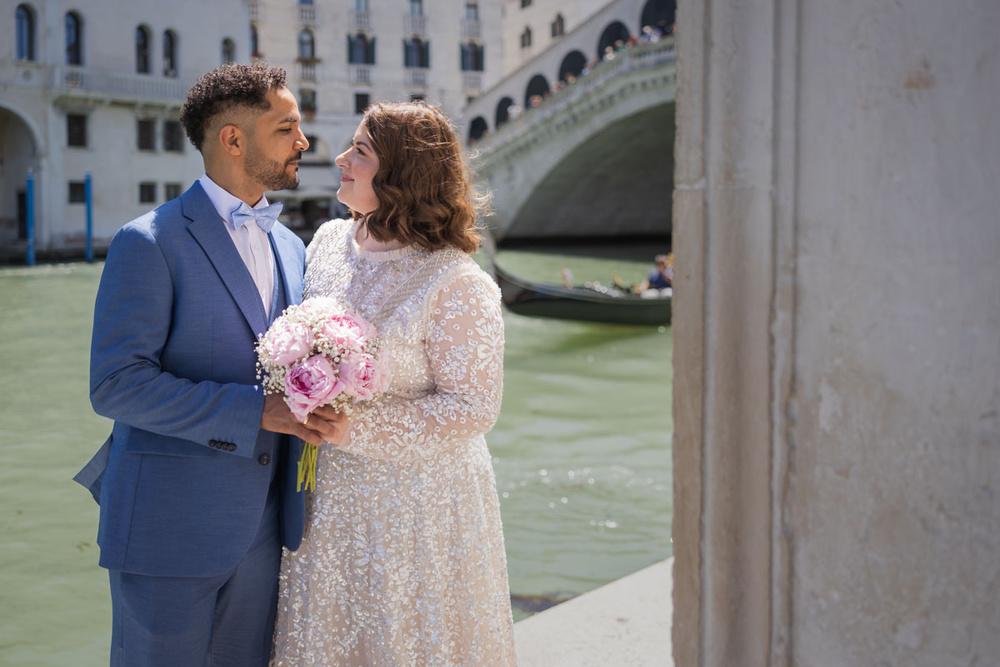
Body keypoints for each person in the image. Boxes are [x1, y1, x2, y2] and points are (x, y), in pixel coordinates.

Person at [73, 62, 347, 667]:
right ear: (232, 138)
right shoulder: (146, 242)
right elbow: (115, 385)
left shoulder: (293, 247)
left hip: (267, 529)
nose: (303, 142)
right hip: (168, 527)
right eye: (287, 128)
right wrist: (258, 412)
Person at [270, 101, 516, 665]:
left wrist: (351, 427)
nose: (339, 159)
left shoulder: (456, 281)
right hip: (326, 495)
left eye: (359, 151)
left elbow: (472, 408)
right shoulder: (329, 242)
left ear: (402, 173)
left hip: (418, 507)